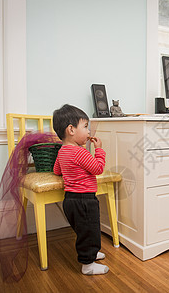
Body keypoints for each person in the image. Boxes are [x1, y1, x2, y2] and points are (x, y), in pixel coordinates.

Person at [53, 104, 109, 275]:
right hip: (85, 200)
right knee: (90, 231)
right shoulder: (80, 152)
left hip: (70, 200)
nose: (88, 131)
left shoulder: (62, 151)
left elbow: (57, 170)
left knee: (84, 231)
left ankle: (90, 254)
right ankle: (87, 265)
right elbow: (98, 168)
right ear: (71, 129)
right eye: (85, 127)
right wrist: (99, 150)